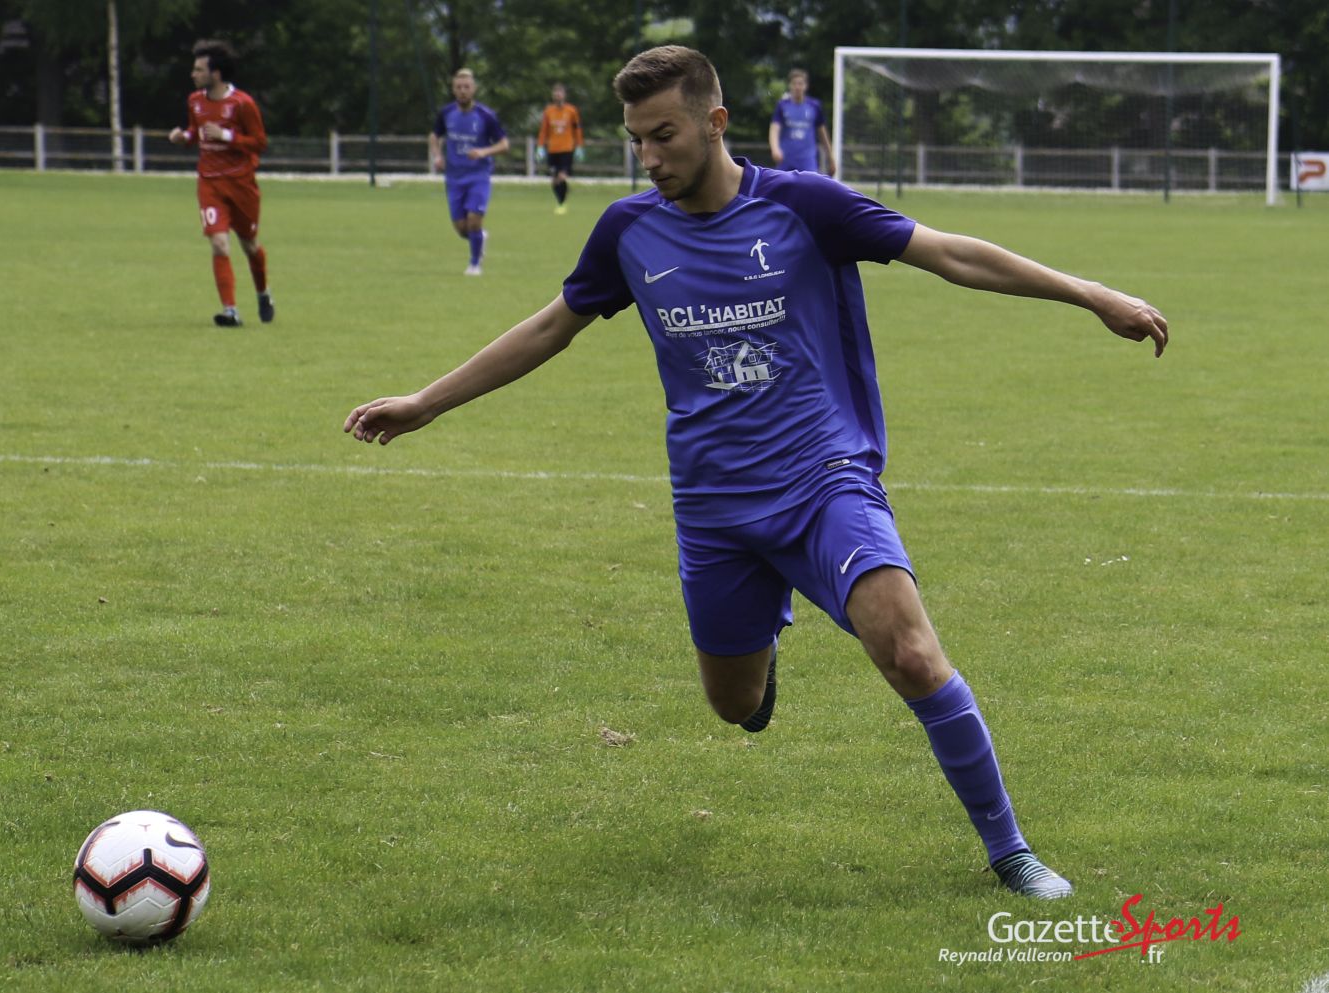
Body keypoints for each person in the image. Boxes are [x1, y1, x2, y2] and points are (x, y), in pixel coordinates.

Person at [346, 46, 1168, 899]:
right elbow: (553, 325)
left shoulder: (806, 205)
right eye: (636, 140)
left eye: (664, 135)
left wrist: (1091, 293)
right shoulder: (628, 231)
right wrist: (427, 402)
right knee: (735, 705)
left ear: (715, 122)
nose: (649, 156)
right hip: (714, 505)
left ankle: (1011, 851)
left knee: (911, 652)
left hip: (825, 479)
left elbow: (951, 253)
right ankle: (763, 649)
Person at [168, 40, 274, 328]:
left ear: (215, 74)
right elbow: (196, 132)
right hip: (210, 183)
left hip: (241, 184)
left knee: (249, 245)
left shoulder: (242, 103)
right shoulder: (195, 101)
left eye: (199, 69)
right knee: (218, 242)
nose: (193, 74)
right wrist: (183, 138)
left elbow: (260, 143)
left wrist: (227, 136)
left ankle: (263, 293)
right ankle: (230, 311)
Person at [431, 69, 509, 275]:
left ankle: (475, 264)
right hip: (454, 178)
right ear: (453, 89)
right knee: (461, 228)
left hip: (478, 176)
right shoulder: (446, 113)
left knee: (474, 219)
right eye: (459, 87)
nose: (463, 91)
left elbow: (504, 144)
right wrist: (437, 156)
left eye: (466, 87)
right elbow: (434, 136)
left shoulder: (486, 115)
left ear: (474, 89)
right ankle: (480, 237)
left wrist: (484, 151)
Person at [769, 68, 834, 176]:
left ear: (806, 86)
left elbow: (823, 134)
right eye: (794, 83)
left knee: (810, 184)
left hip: (807, 161)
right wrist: (775, 149)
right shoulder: (782, 105)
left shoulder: (814, 106)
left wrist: (830, 158)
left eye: (800, 84)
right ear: (790, 85)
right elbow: (774, 129)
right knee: (782, 185)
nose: (797, 87)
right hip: (786, 159)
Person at [537, 83, 585, 215]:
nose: (557, 95)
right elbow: (543, 130)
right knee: (554, 180)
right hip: (552, 150)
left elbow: (577, 129)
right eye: (555, 93)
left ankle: (562, 204)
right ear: (553, 95)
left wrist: (579, 146)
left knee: (562, 177)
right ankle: (560, 200)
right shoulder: (548, 111)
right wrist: (540, 146)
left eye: (560, 92)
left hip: (566, 149)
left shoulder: (571, 111)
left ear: (564, 95)